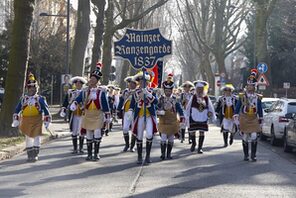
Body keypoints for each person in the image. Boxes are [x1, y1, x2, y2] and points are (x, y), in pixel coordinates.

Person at [70, 66, 110, 161]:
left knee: (97, 133)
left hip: (98, 114)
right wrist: (74, 103)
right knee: (88, 134)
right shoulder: (85, 91)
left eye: (94, 79)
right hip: (87, 114)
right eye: (91, 78)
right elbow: (79, 98)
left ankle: (96, 153)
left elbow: (105, 104)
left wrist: (108, 115)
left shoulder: (101, 92)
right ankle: (89, 154)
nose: (91, 80)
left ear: (97, 81)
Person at [11, 73, 51, 162]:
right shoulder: (23, 99)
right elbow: (17, 109)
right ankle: (30, 155)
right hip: (26, 120)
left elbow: (45, 109)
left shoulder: (40, 99)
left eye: (33, 87)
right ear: (27, 88)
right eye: (30, 87)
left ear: (36, 88)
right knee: (28, 137)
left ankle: (35, 155)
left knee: (36, 137)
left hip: (37, 119)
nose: (32, 89)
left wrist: (47, 120)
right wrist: (16, 117)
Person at [234, 69, 263, 162]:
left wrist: (261, 119)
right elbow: (238, 107)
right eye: (249, 85)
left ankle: (253, 155)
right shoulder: (242, 96)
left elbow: (259, 108)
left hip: (254, 118)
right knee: (245, 136)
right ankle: (246, 155)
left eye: (252, 85)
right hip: (244, 117)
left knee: (254, 136)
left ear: (254, 87)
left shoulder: (257, 97)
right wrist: (235, 116)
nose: (250, 87)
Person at [129, 71, 158, 164]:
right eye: (141, 82)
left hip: (149, 115)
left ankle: (148, 156)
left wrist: (148, 94)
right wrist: (130, 111)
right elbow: (132, 103)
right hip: (140, 116)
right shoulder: (136, 92)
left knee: (149, 134)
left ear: (148, 83)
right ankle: (139, 156)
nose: (143, 84)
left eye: (145, 82)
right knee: (139, 135)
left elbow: (156, 102)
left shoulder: (152, 91)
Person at [157, 79, 185, 160]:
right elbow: (156, 107)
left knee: (171, 138)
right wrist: (159, 111)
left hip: (173, 122)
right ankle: (163, 154)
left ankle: (168, 154)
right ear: (164, 91)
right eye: (166, 91)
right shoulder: (161, 99)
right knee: (163, 138)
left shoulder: (175, 99)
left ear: (172, 90)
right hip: (163, 121)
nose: (168, 92)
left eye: (169, 91)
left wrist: (182, 117)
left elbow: (179, 109)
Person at [186, 80, 216, 154]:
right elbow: (188, 107)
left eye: (201, 89)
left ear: (203, 89)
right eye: (198, 89)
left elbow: (210, 107)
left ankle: (200, 148)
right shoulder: (193, 97)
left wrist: (213, 115)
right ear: (196, 89)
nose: (200, 91)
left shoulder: (206, 98)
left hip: (203, 116)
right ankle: (194, 143)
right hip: (194, 116)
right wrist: (186, 116)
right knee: (193, 132)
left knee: (202, 132)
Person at [60, 76, 87, 154]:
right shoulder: (70, 92)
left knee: (81, 131)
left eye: (79, 83)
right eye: (76, 83)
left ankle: (81, 148)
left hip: (82, 114)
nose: (78, 85)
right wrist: (64, 109)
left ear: (82, 84)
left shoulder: (85, 92)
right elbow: (65, 102)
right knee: (74, 131)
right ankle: (75, 148)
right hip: (73, 114)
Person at [117, 76, 137, 152]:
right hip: (125, 112)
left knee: (134, 130)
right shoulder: (125, 92)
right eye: (130, 83)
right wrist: (118, 110)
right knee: (125, 128)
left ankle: (132, 146)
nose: (132, 85)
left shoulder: (137, 91)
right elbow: (121, 101)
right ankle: (127, 144)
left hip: (134, 112)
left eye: (133, 83)